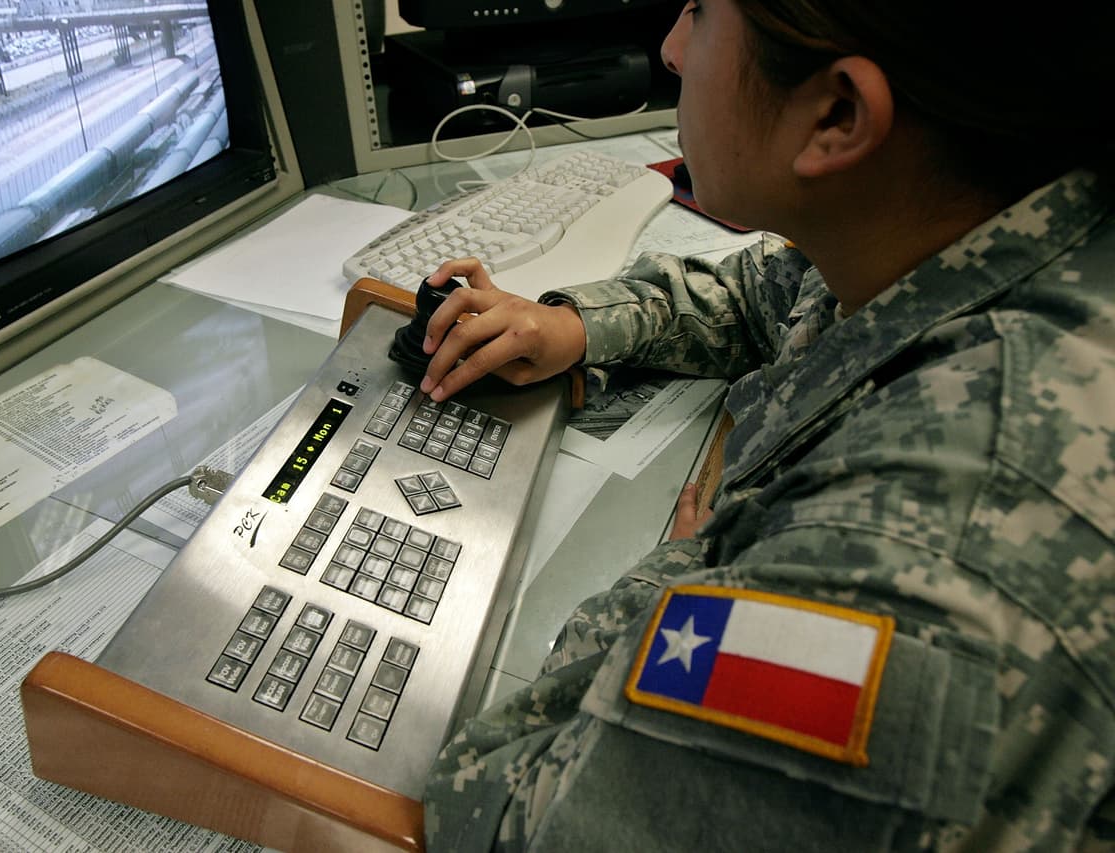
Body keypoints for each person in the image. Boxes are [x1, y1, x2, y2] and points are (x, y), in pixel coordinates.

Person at [418, 0, 1115, 849]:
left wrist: (684, 568)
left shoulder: (911, 563)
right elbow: (778, 293)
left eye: (703, 12)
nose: (671, 49)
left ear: (837, 116)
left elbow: (501, 811)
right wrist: (577, 324)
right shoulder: (987, 221)